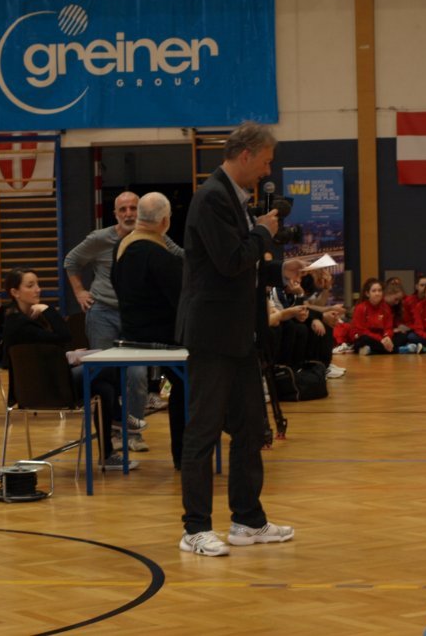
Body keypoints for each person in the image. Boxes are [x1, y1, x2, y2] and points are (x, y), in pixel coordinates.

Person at [176, 121, 301, 557]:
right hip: (212, 334)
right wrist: (263, 231)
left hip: (240, 334)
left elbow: (241, 264)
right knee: (204, 430)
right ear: (246, 155)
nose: (267, 171)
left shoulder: (233, 197)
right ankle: (195, 528)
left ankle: (247, 520)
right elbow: (230, 261)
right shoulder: (212, 197)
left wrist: (278, 270)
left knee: (250, 428)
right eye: (265, 162)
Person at [64, 191, 182, 451]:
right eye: (123, 209)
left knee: (136, 375)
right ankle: (108, 441)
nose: (128, 214)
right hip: (103, 314)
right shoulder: (100, 239)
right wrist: (80, 292)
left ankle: (132, 433)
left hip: (133, 318)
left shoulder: (156, 239)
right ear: (115, 214)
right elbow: (71, 261)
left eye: (133, 208)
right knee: (104, 377)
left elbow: (179, 257)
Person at [2, 268, 130, 469]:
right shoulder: (19, 323)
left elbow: (48, 350)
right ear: (15, 292)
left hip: (52, 379)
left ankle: (107, 452)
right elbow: (63, 337)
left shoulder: (23, 318)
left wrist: (67, 356)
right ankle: (119, 416)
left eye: (37, 284)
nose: (37, 289)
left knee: (104, 388)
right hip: (47, 388)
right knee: (107, 365)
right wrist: (48, 310)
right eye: (30, 285)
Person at [111, 192, 186, 470]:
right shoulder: (158, 255)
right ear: (165, 221)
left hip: (129, 333)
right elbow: (180, 300)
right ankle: (184, 455)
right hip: (162, 338)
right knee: (188, 383)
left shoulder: (120, 248)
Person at [351, 278, 419, 355]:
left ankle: (371, 350)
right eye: (374, 291)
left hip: (382, 337)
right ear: (367, 294)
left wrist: (387, 337)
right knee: (364, 339)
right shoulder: (361, 308)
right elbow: (361, 330)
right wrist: (381, 339)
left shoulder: (386, 308)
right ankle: (399, 350)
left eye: (379, 291)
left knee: (402, 336)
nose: (377, 293)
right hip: (367, 337)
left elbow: (388, 328)